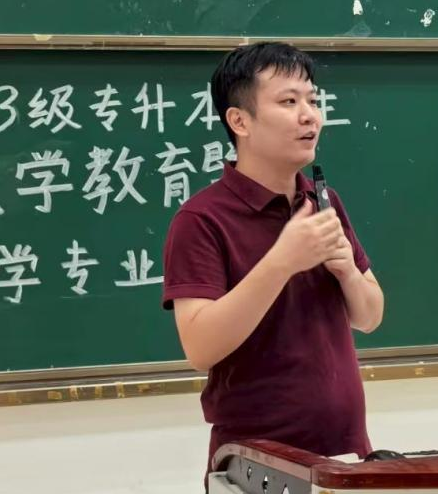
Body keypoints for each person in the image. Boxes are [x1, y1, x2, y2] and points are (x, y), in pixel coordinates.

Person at [161, 41, 385, 471]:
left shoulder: (322, 201)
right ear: (239, 121)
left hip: (345, 452)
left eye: (312, 100)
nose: (310, 116)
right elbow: (200, 347)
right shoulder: (201, 219)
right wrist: (282, 261)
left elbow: (370, 316)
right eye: (288, 101)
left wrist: (347, 273)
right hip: (256, 466)